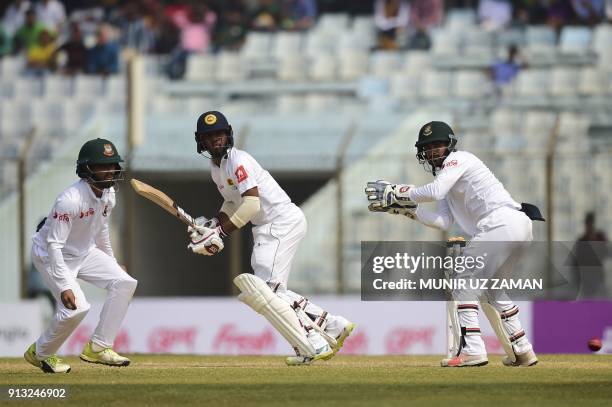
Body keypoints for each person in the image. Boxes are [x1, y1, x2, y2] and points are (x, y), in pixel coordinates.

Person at [366, 121, 540, 367]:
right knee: (493, 290)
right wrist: (407, 211)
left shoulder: (459, 160)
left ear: (450, 145)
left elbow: (435, 191)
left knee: (462, 280)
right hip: (516, 226)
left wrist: (397, 191)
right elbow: (443, 221)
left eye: (438, 145)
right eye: (428, 147)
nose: (433, 150)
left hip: (500, 222)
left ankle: (474, 351)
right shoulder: (447, 177)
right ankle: (523, 350)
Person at [188, 111, 355, 365]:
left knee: (267, 292)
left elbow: (252, 204)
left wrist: (221, 233)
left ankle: (314, 340)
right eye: (210, 137)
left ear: (229, 134)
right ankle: (330, 325)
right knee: (270, 292)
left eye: (220, 134)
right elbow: (233, 203)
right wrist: (212, 225)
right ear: (202, 142)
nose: (216, 140)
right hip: (268, 228)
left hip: (280, 222)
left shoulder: (238, 160)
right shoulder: (217, 168)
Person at [24, 138, 137, 373]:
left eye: (112, 165)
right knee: (77, 308)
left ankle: (98, 347)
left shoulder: (109, 195)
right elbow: (54, 244)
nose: (109, 171)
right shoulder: (70, 199)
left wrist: (113, 264)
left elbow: (101, 231)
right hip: (51, 254)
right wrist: (65, 284)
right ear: (86, 169)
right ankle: (40, 353)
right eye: (102, 166)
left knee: (125, 282)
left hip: (84, 252)